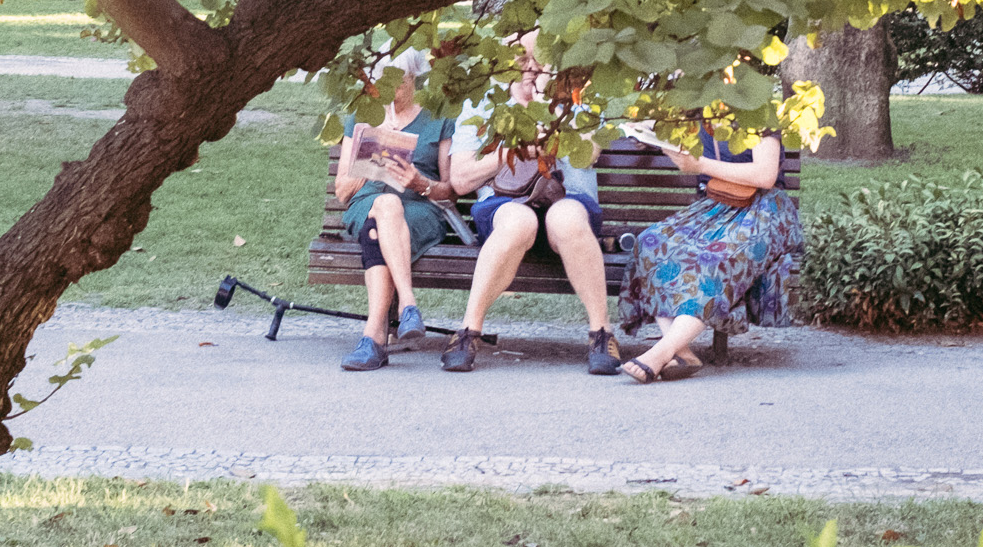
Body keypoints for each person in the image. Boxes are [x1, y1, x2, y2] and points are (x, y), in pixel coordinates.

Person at [440, 33, 618, 374]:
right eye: (522, 59)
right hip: (504, 207)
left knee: (566, 217)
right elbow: (461, 180)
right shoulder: (482, 106)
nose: (532, 68)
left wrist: (547, 106)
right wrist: (514, 152)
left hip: (568, 202)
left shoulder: (579, 99)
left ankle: (601, 333)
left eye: (541, 59)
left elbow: (588, 153)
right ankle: (468, 331)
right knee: (518, 221)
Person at [614, 124, 804, 383]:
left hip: (765, 210)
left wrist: (699, 164)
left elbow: (765, 175)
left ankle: (661, 352)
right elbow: (670, 136)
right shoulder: (695, 113)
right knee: (651, 243)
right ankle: (682, 353)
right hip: (715, 206)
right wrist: (648, 134)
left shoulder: (756, 112)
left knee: (713, 259)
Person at [334, 48, 456, 372]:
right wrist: (372, 155)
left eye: (397, 81)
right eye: (382, 81)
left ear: (413, 79)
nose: (389, 90)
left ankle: (372, 340)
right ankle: (408, 305)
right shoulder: (362, 116)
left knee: (376, 231)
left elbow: (450, 190)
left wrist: (419, 182)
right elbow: (342, 191)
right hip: (367, 202)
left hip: (419, 209)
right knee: (385, 205)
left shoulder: (438, 119)